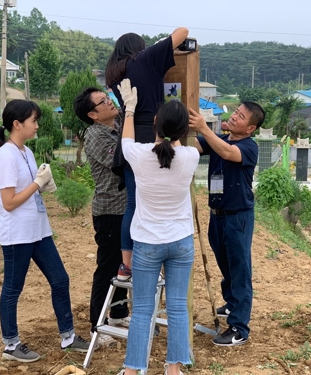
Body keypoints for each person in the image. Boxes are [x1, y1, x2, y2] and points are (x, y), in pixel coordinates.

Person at [0, 99, 89, 363]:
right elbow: (9, 202)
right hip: (18, 234)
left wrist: (43, 184)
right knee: (12, 288)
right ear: (17, 124)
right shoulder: (6, 155)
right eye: (33, 120)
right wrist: (36, 183)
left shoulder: (26, 152)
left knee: (60, 279)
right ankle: (11, 344)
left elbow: (29, 189)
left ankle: (68, 337)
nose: (37, 125)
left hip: (38, 230)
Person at [117, 80, 199, 375]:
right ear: (183, 132)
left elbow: (125, 143)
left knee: (141, 311)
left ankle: (131, 370)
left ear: (155, 123)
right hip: (180, 242)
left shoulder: (139, 156)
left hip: (147, 243)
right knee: (177, 307)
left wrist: (129, 110)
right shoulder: (191, 157)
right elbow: (173, 147)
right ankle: (173, 369)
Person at [105, 27, 189, 281]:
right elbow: (183, 31)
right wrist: (157, 45)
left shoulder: (114, 73)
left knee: (133, 203)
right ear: (138, 48)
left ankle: (126, 265)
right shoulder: (147, 58)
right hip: (154, 133)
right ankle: (163, 254)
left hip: (129, 135)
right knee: (163, 198)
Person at [188, 101, 266, 347]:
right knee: (226, 263)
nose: (234, 117)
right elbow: (194, 147)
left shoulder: (248, 147)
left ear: (250, 128)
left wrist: (204, 128)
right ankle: (232, 304)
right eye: (235, 112)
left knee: (240, 269)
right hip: (217, 215)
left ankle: (239, 327)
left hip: (237, 217)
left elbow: (227, 152)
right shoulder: (221, 139)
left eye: (241, 116)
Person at [73, 87, 131, 347]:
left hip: (125, 209)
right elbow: (120, 160)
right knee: (107, 268)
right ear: (93, 114)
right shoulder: (95, 135)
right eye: (103, 102)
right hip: (109, 212)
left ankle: (118, 315)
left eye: (109, 98)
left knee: (124, 267)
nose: (110, 103)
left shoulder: (117, 124)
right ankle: (98, 324)